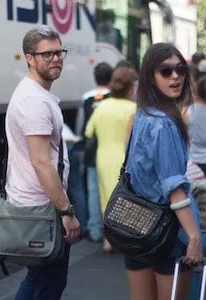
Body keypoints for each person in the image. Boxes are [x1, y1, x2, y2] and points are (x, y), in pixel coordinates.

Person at [5, 26, 80, 300]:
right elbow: (41, 162)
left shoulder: (36, 94)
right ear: (29, 58)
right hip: (41, 208)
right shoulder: (34, 101)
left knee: (41, 278)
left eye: (59, 52)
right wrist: (65, 211)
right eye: (47, 54)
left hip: (40, 203)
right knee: (46, 283)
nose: (56, 58)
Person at [123, 43, 202, 300]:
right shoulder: (164, 123)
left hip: (136, 226)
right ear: (150, 77)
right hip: (167, 230)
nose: (176, 76)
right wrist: (193, 236)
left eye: (180, 69)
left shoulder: (142, 115)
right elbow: (174, 188)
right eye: (165, 71)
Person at [85, 66, 137, 252]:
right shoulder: (133, 108)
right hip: (125, 156)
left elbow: (88, 131)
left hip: (103, 156)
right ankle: (126, 238)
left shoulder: (102, 107)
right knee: (127, 197)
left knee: (105, 196)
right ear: (130, 88)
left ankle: (108, 239)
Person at [81, 62, 113, 242]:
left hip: (92, 151)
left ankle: (94, 229)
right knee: (111, 190)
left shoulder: (87, 98)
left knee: (93, 190)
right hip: (111, 151)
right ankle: (111, 229)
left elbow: (82, 127)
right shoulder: (114, 98)